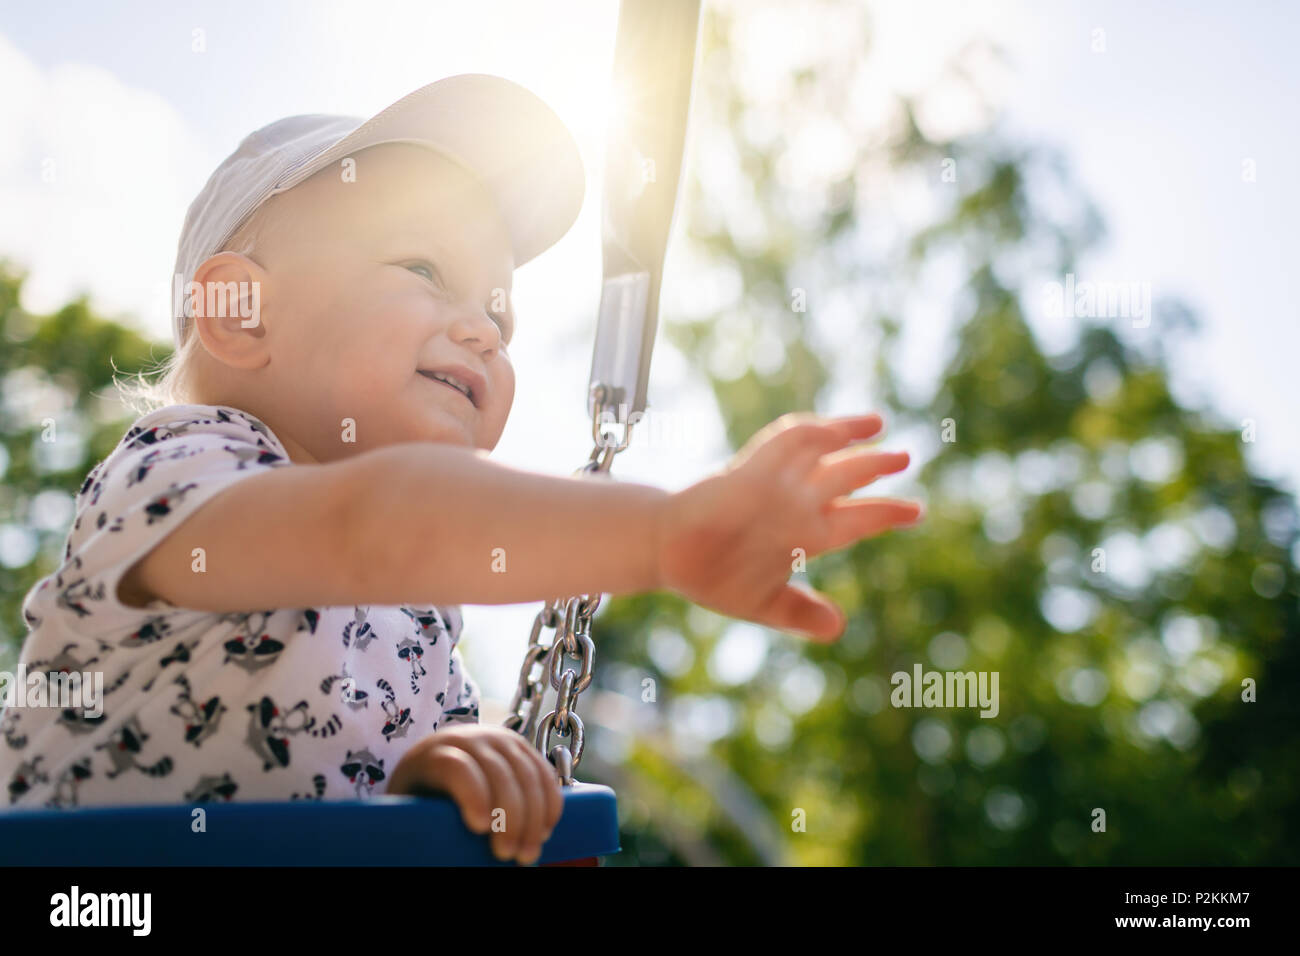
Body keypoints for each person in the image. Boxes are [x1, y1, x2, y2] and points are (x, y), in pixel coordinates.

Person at [0, 75, 922, 865]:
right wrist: (664, 533)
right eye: (424, 268)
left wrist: (444, 774)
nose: (485, 327)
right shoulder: (176, 472)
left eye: (502, 314)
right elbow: (373, 523)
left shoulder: (416, 612)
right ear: (242, 315)